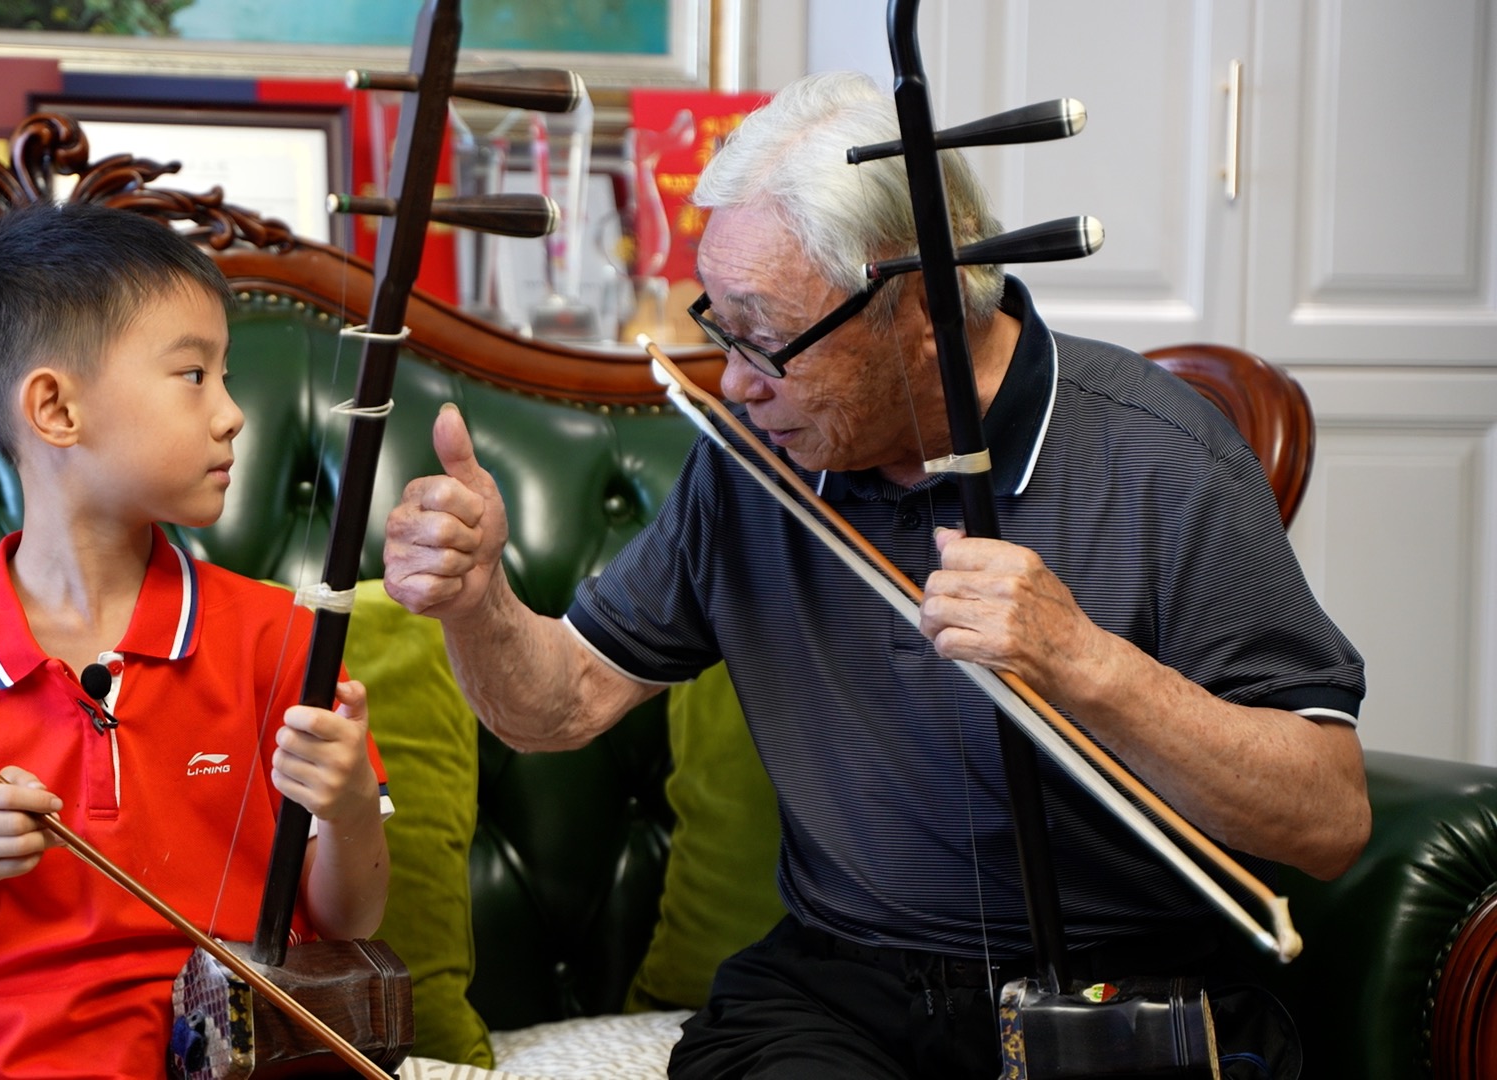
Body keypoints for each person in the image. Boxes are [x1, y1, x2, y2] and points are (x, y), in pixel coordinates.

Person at [383, 71, 1366, 1078]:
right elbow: (562, 701)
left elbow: (1328, 820)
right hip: (840, 994)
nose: (732, 378)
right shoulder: (752, 464)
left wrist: (1086, 664)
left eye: (764, 336)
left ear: (922, 310)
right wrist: (478, 602)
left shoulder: (1164, 456)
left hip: (1123, 989)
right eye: (720, 324)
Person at [0, 201, 391, 1080]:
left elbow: (352, 921)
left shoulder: (277, 638)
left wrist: (351, 800)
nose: (233, 415)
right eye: (193, 375)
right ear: (56, 408)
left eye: (227, 374)